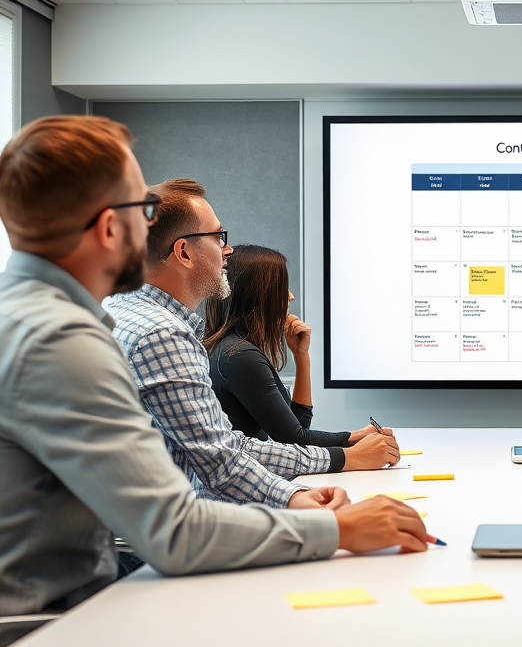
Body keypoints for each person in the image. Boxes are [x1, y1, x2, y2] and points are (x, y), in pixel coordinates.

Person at [0, 116, 427, 619]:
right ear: (111, 226)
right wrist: (339, 529)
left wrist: (297, 499)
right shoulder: (65, 341)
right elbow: (174, 533)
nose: (150, 224)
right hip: (56, 618)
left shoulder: (36, 315)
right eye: (144, 207)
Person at [105, 179, 399, 511]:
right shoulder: (162, 335)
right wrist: (325, 476)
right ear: (184, 252)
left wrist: (333, 462)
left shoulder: (122, 309)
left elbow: (227, 445)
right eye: (218, 237)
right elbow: (221, 463)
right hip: (158, 535)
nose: (227, 250)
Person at [204, 244, 368, 447]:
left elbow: (298, 426)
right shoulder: (238, 355)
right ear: (257, 294)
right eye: (280, 287)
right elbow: (294, 439)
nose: (290, 296)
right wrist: (357, 438)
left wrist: (301, 356)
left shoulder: (234, 349)